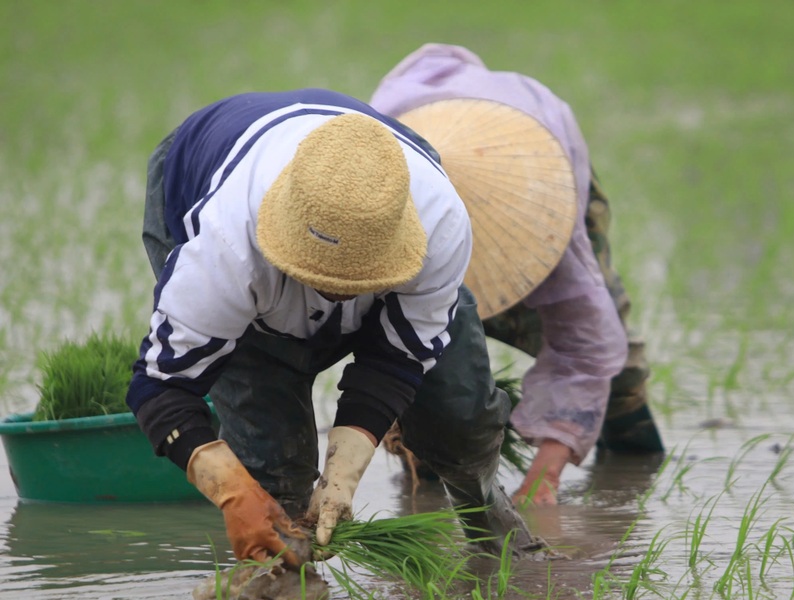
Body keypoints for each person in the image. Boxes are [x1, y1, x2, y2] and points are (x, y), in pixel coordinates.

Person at [126, 88, 542, 569]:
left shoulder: (438, 222)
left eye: (357, 281)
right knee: (270, 467)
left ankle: (492, 529)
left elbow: (397, 358)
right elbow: (161, 389)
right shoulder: (225, 247)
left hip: (376, 194)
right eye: (320, 278)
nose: (338, 294)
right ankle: (279, 589)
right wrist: (235, 495)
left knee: (460, 412)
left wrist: (341, 478)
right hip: (202, 169)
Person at [370, 44, 665, 507]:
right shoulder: (367, 185)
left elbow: (586, 345)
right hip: (412, 178)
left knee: (620, 369)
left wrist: (543, 479)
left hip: (537, 166)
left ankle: (633, 464)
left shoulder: (547, 212)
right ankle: (427, 481)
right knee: (423, 353)